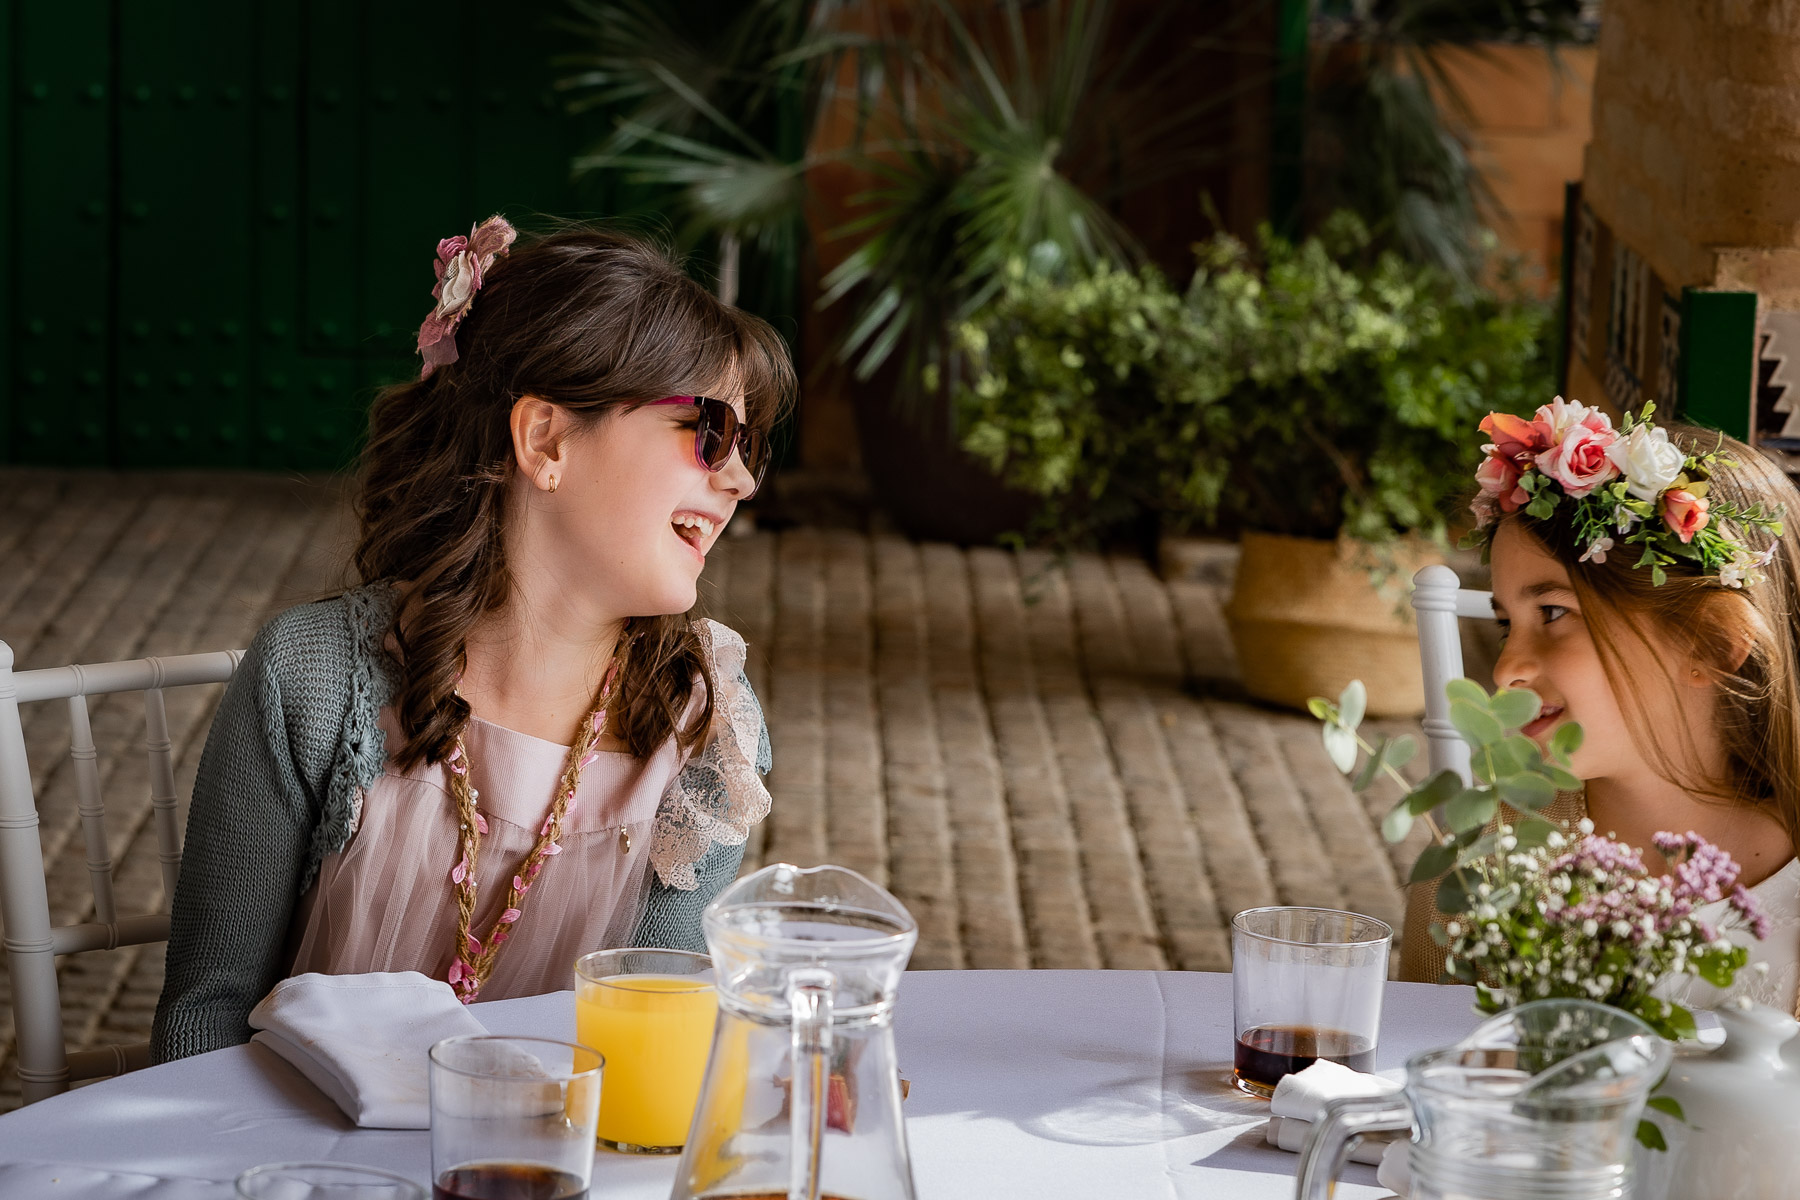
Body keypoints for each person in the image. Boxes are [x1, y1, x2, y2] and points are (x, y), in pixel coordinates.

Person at [152, 219, 789, 1061]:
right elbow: (205, 1023)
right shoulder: (311, 679)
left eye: (749, 448)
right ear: (547, 440)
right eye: (710, 431)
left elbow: (662, 1039)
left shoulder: (704, 728)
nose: (739, 479)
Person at [1401, 398, 1800, 1012]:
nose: (1507, 668)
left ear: (1711, 643)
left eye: (1554, 613)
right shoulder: (1484, 850)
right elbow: (1419, 1061)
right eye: (1508, 623)